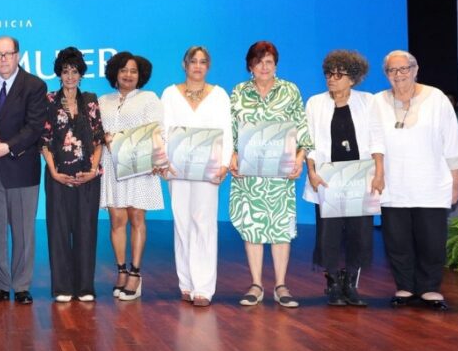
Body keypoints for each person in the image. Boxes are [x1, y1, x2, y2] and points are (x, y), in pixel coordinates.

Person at [371, 50, 458, 311]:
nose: (398, 75)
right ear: (386, 74)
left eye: (404, 69)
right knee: (397, 239)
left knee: (431, 239)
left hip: (432, 182)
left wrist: (456, 182)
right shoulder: (378, 101)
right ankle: (405, 286)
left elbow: (452, 143)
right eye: (392, 71)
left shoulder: (436, 99)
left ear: (415, 69)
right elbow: (374, 141)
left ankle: (430, 288)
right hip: (393, 183)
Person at [229, 41, 312, 308]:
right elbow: (230, 130)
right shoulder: (239, 92)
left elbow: (302, 129)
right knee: (251, 227)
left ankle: (280, 285)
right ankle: (255, 284)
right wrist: (232, 156)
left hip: (279, 174)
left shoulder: (289, 90)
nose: (264, 67)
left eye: (269, 62)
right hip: (249, 174)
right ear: (250, 65)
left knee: (280, 229)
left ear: (275, 64)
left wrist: (299, 160)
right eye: (259, 61)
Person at [303, 50, 384, 307]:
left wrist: (379, 173)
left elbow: (376, 139)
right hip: (327, 178)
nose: (332, 78)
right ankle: (333, 283)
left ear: (353, 78)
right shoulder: (315, 103)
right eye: (329, 73)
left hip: (360, 177)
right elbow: (309, 141)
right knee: (329, 233)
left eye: (339, 74)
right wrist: (312, 172)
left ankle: (351, 283)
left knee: (359, 232)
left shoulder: (368, 101)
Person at [159, 46, 232, 307]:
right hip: (177, 169)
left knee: (204, 223)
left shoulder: (220, 95)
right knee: (182, 223)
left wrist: (224, 164)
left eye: (203, 62)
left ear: (208, 66)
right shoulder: (169, 94)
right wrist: (162, 162)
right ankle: (186, 283)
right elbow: (162, 131)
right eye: (193, 61)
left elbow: (227, 130)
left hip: (208, 169)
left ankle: (203, 287)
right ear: (184, 64)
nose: (198, 66)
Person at [0, 35, 48, 305]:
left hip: (20, 165)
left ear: (18, 55)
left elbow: (34, 127)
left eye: (8, 54)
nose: (3, 59)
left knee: (23, 231)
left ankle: (21, 286)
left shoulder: (35, 85)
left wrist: (8, 146)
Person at [98, 51, 165, 302]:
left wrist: (156, 157)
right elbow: (97, 131)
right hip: (112, 165)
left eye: (134, 71)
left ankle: (136, 273)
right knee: (117, 219)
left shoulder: (149, 98)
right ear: (115, 72)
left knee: (136, 216)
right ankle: (121, 270)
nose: (128, 75)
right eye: (124, 70)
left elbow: (156, 130)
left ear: (141, 75)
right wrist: (104, 138)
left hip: (139, 164)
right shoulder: (103, 100)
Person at [41, 47, 104, 303]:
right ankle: (62, 288)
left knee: (86, 230)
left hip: (88, 177)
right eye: (65, 71)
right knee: (58, 230)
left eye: (74, 71)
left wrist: (92, 170)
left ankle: (85, 287)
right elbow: (44, 140)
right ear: (59, 73)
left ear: (81, 74)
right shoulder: (48, 99)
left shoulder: (90, 100)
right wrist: (54, 172)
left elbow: (99, 139)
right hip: (58, 177)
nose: (70, 76)